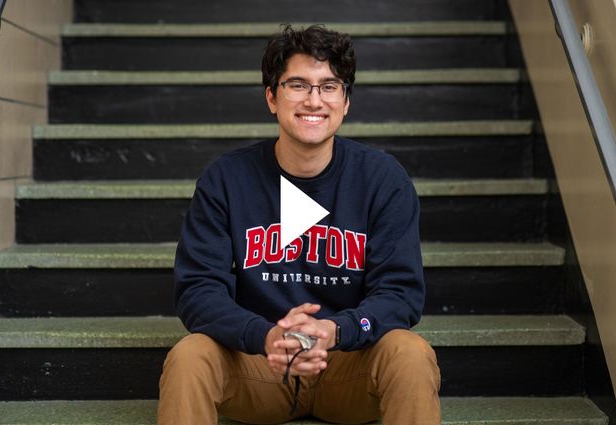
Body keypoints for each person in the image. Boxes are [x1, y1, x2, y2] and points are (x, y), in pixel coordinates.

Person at [157, 24, 440, 425]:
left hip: (347, 365)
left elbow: (400, 294)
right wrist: (265, 335)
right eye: (297, 85)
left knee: (410, 352)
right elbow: (198, 291)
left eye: (329, 86)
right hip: (259, 365)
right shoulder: (226, 179)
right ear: (272, 97)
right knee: (189, 355)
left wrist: (335, 330)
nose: (314, 100)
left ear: (346, 102)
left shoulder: (382, 179)